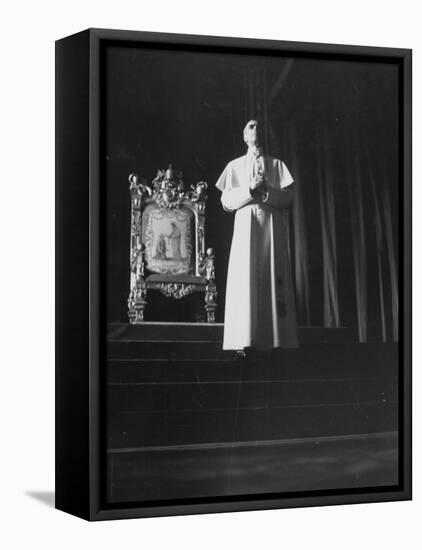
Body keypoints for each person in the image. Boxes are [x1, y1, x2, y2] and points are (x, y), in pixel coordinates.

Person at [216, 120, 298, 351]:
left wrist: (266, 192)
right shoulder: (234, 166)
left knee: (272, 275)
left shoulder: (277, 165)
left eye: (259, 127)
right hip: (246, 225)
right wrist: (249, 189)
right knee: (246, 277)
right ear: (244, 136)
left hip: (271, 225)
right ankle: (244, 339)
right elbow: (226, 202)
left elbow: (288, 199)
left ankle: (276, 341)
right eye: (251, 127)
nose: (256, 130)